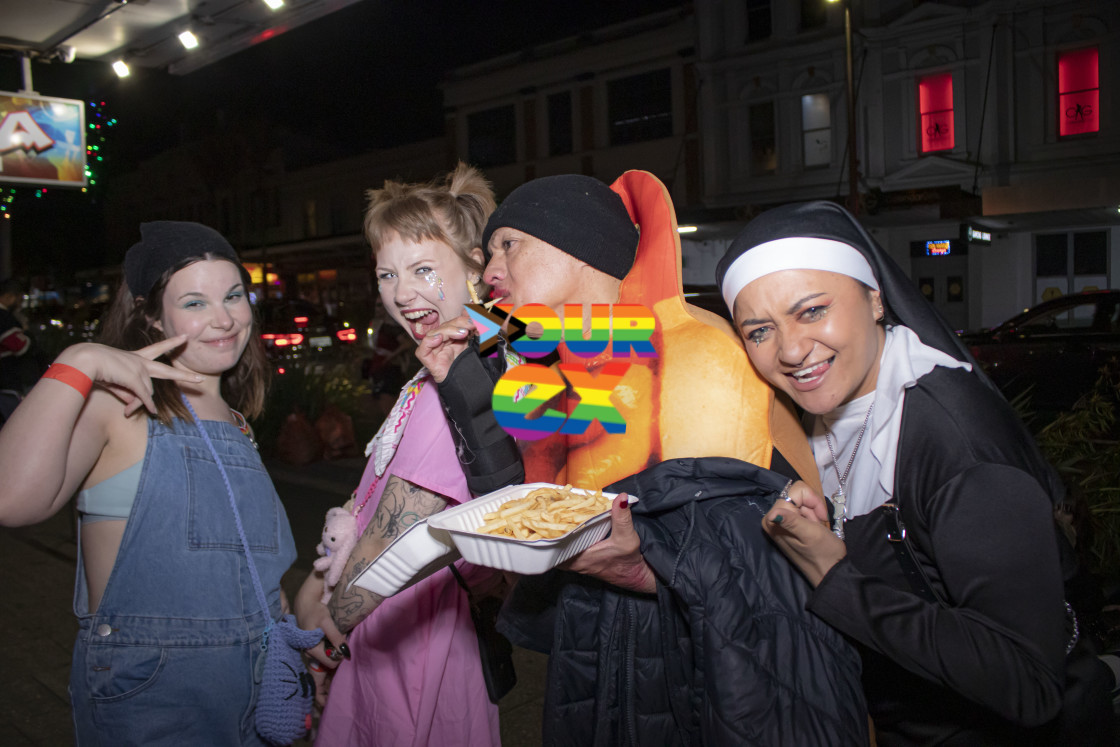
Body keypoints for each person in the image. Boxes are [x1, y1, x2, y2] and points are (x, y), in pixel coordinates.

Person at [420, 172, 868, 744]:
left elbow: (754, 565)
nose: (490, 272)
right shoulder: (562, 360)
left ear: (579, 245)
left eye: (510, 244)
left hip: (710, 676)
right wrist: (461, 381)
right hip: (599, 652)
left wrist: (644, 569)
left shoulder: (701, 352)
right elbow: (519, 504)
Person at [717, 200, 1115, 745]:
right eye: (760, 331)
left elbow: (1029, 682)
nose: (790, 350)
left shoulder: (955, 441)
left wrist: (837, 578)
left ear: (875, 298)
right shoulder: (812, 415)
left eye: (811, 311)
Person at [0, 222, 294, 745]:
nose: (225, 318)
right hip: (156, 695)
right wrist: (79, 360)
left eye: (233, 296)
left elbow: (242, 562)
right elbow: (12, 501)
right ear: (151, 315)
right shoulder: (117, 404)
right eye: (195, 302)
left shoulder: (237, 422)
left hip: (255, 684)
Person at [293, 163, 507, 747]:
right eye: (388, 274)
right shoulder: (437, 373)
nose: (402, 293)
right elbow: (370, 497)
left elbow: (392, 545)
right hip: (390, 627)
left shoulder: (459, 389)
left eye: (423, 269)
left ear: (475, 269)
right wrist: (315, 584)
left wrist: (324, 640)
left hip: (403, 640)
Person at [0, 277, 32, 421]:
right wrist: (27, 335)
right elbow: (20, 347)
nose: (20, 303)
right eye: (19, 298)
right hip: (7, 381)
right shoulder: (4, 318)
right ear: (9, 297)